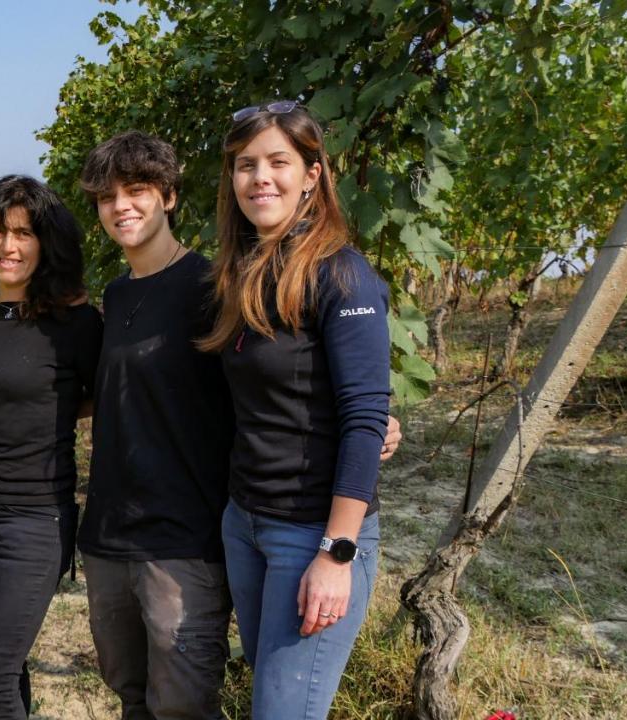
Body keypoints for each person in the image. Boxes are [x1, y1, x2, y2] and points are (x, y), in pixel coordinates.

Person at [202, 101, 391, 719]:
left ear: (312, 173)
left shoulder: (343, 274)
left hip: (311, 535)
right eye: (245, 165)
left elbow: (364, 416)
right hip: (245, 525)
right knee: (271, 696)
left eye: (278, 162)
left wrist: (337, 553)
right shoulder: (243, 271)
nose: (261, 178)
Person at [74, 131, 236, 720]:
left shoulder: (214, 287)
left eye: (137, 190)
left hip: (183, 541)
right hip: (109, 536)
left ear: (168, 196)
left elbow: (271, 384)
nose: (122, 206)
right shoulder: (115, 296)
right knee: (131, 696)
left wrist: (372, 420)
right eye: (107, 196)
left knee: (184, 706)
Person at [0, 176, 102, 719]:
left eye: (24, 234)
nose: (8, 247)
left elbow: (108, 397)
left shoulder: (76, 325)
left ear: (46, 243)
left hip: (32, 522)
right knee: (4, 664)